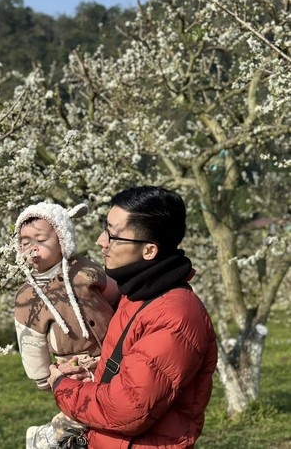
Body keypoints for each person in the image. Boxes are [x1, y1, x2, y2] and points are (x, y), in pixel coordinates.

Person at [48, 186, 218, 448]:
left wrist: (64, 387)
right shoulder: (138, 293)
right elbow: (135, 366)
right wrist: (96, 370)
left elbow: (129, 409)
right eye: (106, 229)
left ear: (149, 251)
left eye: (114, 236)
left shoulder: (175, 316)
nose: (101, 241)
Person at [13, 201, 119, 448]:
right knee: (84, 409)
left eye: (40, 240)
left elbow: (115, 294)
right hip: (73, 363)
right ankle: (48, 436)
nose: (32, 248)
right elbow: (30, 339)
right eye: (25, 242)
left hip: (112, 350)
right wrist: (41, 376)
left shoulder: (85, 270)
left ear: (62, 240)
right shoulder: (27, 297)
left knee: (113, 405)